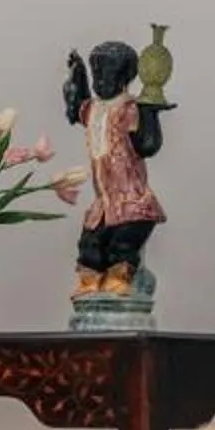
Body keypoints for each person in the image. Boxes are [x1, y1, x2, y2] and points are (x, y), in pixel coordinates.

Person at [63, 41, 168, 300]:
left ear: (124, 77)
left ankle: (118, 281)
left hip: (132, 200)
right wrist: (78, 76)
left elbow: (148, 145)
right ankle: (89, 285)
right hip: (104, 203)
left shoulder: (130, 108)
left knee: (122, 246)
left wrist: (150, 111)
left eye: (107, 73)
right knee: (90, 245)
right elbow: (78, 106)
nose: (100, 80)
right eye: (96, 73)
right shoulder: (94, 109)